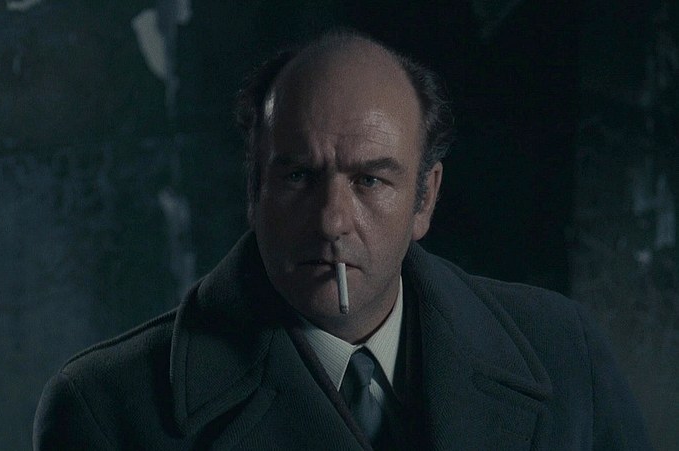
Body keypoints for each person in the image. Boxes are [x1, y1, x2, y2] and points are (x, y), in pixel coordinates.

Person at [33, 30, 652, 450]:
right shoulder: (104, 408)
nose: (331, 221)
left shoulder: (563, 352)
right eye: (298, 177)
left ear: (425, 198)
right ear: (254, 190)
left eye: (370, 180)